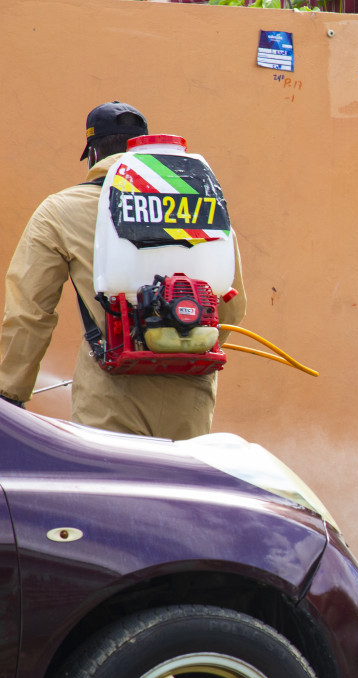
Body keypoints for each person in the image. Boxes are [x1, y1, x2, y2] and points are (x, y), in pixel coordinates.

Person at [0, 101, 246, 439]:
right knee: (177, 476)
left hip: (110, 392)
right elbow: (232, 304)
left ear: (93, 153)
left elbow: (30, 312)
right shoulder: (201, 206)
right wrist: (183, 344)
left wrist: (10, 392)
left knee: (113, 477)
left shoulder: (60, 210)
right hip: (191, 396)